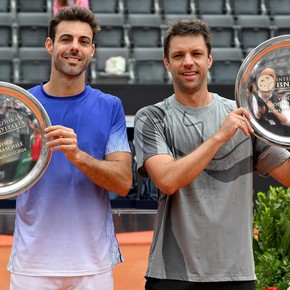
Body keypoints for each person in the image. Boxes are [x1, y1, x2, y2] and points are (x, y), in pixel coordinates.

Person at [134, 19, 290, 290]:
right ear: (166, 63)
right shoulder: (152, 118)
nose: (188, 62)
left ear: (209, 59)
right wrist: (220, 136)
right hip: (173, 275)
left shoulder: (246, 116)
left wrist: (283, 126)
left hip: (235, 274)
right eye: (178, 55)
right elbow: (167, 181)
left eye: (196, 54)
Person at [8, 6, 132, 290]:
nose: (74, 47)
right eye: (66, 39)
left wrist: (78, 156)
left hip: (93, 266)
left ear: (92, 51)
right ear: (49, 45)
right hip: (32, 264)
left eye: (83, 41)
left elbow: (123, 182)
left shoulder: (110, 106)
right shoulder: (21, 107)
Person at [252, 67, 290, 135]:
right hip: (258, 136)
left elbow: (287, 121)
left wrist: (274, 110)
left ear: (275, 80)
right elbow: (252, 118)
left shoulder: (280, 99)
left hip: (277, 136)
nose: (267, 79)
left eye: (271, 76)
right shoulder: (252, 97)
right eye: (264, 76)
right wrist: (260, 112)